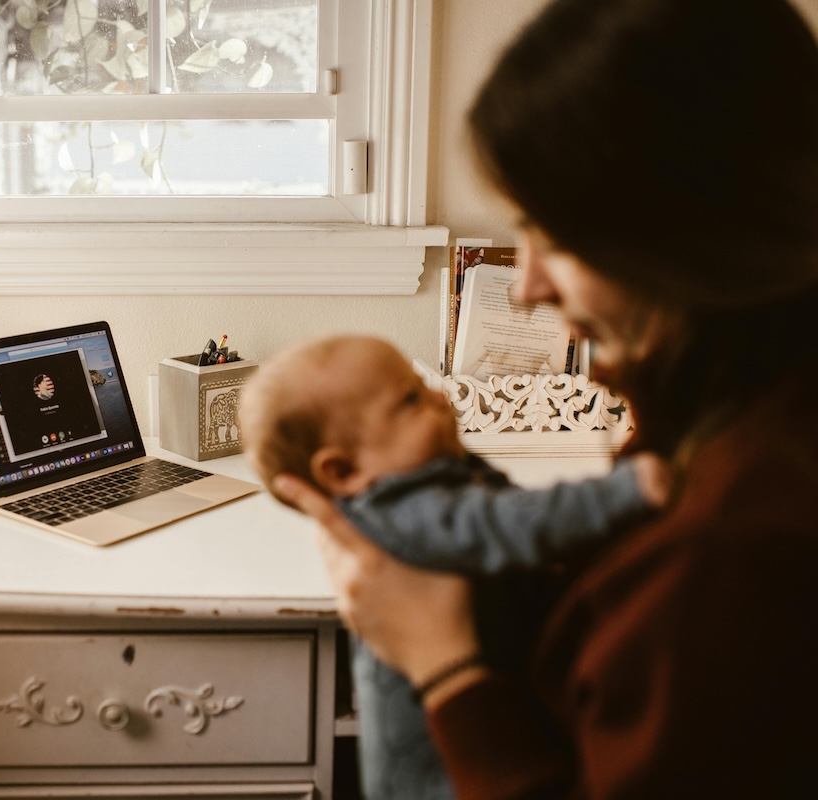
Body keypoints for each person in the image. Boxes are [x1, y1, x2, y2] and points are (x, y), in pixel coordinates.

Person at [272, 0, 818, 797]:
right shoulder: (726, 409)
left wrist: (442, 662)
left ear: (686, 232)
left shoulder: (733, 543)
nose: (523, 287)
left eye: (552, 239)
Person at [240, 334, 669, 800]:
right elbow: (508, 522)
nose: (440, 396)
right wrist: (625, 492)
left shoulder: (426, 481)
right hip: (445, 775)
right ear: (344, 472)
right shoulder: (400, 510)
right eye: (410, 399)